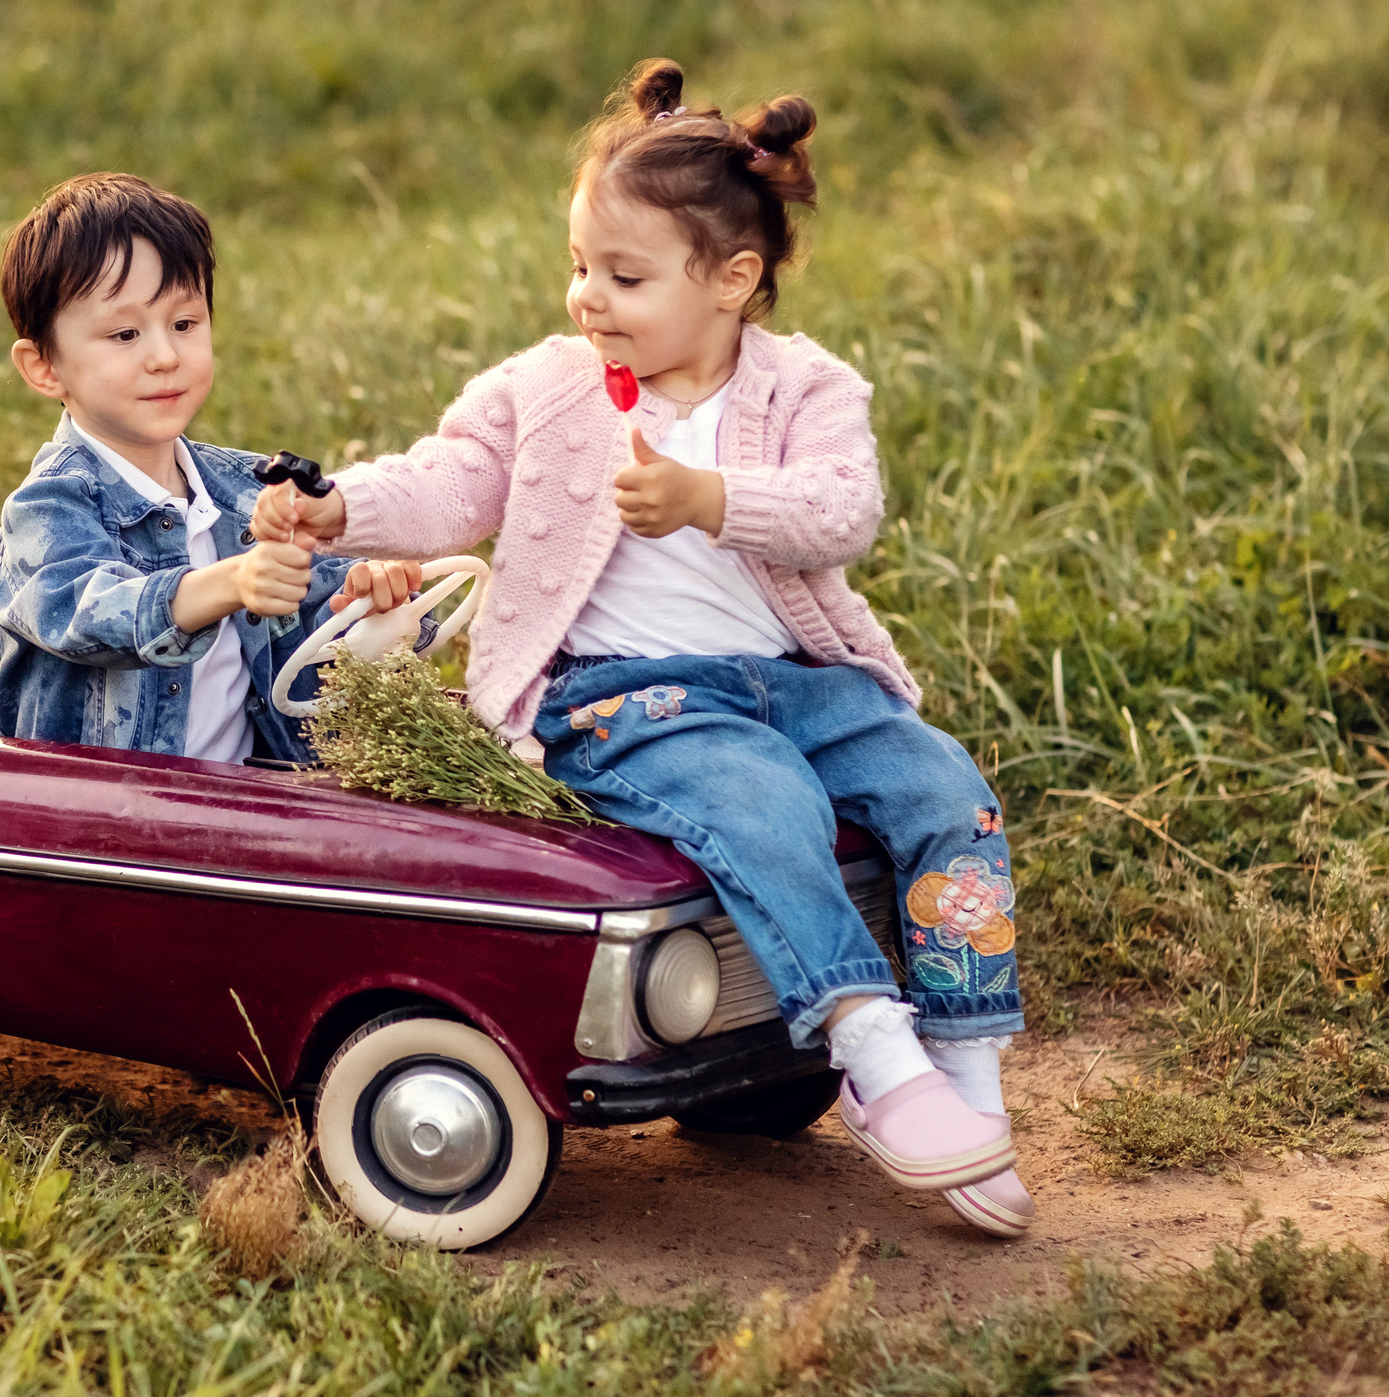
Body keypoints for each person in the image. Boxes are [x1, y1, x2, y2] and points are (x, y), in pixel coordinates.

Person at [250, 61, 1032, 1237]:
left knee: (942, 789)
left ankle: (966, 1062)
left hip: (801, 683)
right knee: (759, 804)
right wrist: (341, 511)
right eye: (577, 266)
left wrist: (709, 497)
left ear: (731, 280)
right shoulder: (552, 390)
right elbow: (451, 477)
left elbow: (842, 510)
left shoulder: (808, 387)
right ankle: (872, 1051)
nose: (587, 299)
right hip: (628, 698)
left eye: (623, 275)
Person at [0, 172, 420, 763]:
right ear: (44, 368)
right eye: (124, 334)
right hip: (101, 822)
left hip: (242, 799)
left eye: (185, 325)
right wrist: (233, 582)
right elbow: (90, 614)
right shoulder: (48, 508)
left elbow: (319, 628)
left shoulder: (244, 491)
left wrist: (373, 601)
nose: (165, 357)